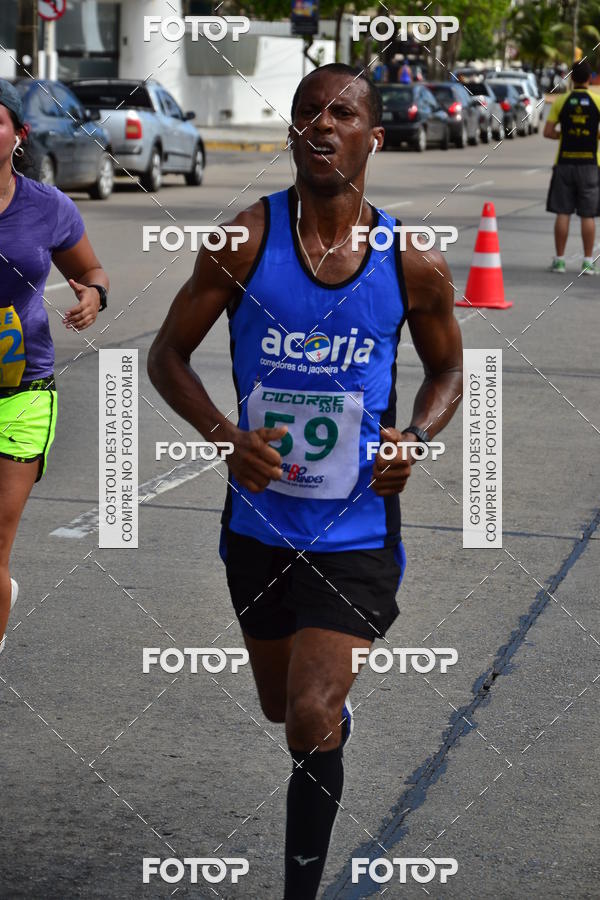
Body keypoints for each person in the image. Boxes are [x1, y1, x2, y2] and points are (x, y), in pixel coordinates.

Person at [148, 63, 463, 900]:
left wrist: (415, 438)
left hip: (359, 531)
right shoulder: (242, 240)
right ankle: (325, 724)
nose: (319, 126)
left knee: (310, 718)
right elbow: (165, 356)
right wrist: (224, 436)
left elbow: (448, 374)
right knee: (283, 710)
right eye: (305, 114)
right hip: (258, 527)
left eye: (340, 114)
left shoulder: (411, 260)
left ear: (373, 137)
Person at [0, 80, 109, 654]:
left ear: (19, 135)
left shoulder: (46, 207)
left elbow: (91, 271)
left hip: (22, 391)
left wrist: (92, 295)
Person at [544, 59, 600, 274]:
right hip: (590, 164)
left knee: (563, 212)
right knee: (588, 215)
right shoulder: (597, 101)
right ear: (589, 78)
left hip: (564, 162)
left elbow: (548, 132)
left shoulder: (561, 101)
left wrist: (564, 135)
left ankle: (559, 261)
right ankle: (587, 261)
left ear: (571, 78)